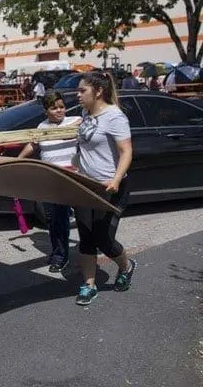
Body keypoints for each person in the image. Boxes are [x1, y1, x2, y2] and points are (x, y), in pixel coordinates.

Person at [74, 71, 136, 306]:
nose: (78, 95)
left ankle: (126, 266)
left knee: (104, 239)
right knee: (86, 238)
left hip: (110, 187)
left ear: (98, 91)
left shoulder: (115, 117)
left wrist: (116, 179)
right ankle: (89, 285)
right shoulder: (86, 114)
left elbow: (126, 151)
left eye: (82, 91)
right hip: (84, 185)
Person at [18, 91, 81, 272]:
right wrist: (20, 160)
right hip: (50, 180)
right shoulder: (41, 127)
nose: (59, 111)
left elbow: (88, 120)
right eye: (54, 108)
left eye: (62, 107)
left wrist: (72, 127)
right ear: (46, 110)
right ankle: (59, 254)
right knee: (55, 220)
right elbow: (33, 144)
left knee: (81, 218)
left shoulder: (73, 122)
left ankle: (78, 253)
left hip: (73, 178)